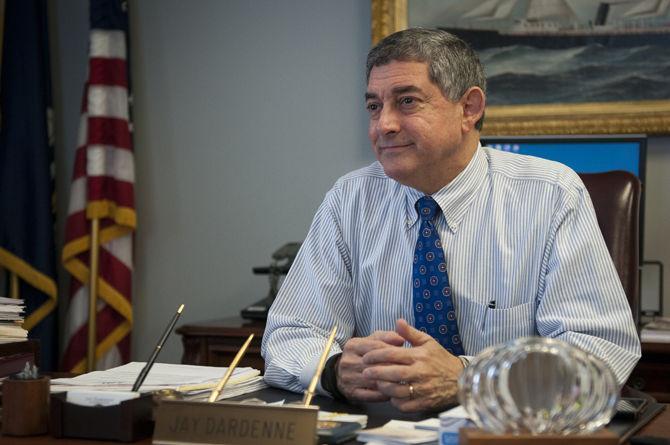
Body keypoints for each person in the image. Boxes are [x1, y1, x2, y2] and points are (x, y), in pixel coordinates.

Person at [261, 28, 641, 413]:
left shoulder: (551, 194)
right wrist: (334, 372)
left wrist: (468, 379)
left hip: (506, 431)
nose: (384, 125)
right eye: (374, 106)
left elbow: (597, 353)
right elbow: (291, 334)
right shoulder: (350, 199)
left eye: (407, 101)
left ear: (469, 108)